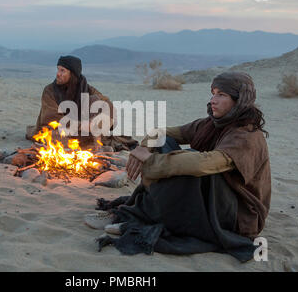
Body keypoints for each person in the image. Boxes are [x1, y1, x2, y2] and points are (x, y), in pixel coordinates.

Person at [85, 72, 271, 262]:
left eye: (221, 95)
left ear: (239, 100)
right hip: (216, 201)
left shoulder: (247, 135)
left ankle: (141, 215)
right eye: (213, 93)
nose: (213, 100)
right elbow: (161, 133)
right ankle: (146, 211)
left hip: (239, 215)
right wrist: (143, 147)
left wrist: (149, 160)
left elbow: (202, 164)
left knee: (189, 160)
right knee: (163, 143)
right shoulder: (212, 124)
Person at [26, 55, 138, 151]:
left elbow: (108, 107)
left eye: (62, 70)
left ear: (73, 74)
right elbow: (51, 120)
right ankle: (85, 145)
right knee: (54, 137)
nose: (58, 74)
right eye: (58, 69)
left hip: (81, 131)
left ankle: (93, 143)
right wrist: (82, 125)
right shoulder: (49, 90)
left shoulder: (86, 89)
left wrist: (96, 125)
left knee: (96, 100)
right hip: (60, 130)